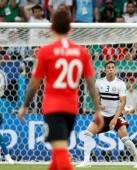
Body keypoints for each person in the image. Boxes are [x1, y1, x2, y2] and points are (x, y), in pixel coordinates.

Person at [17, 9, 103, 170]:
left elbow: (34, 84)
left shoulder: (45, 51)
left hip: (53, 108)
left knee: (61, 152)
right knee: (58, 152)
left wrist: (25, 106)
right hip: (71, 108)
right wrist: (97, 110)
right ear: (70, 29)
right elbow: (90, 83)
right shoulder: (82, 52)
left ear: (52, 28)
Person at [77, 61, 137, 168]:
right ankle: (86, 161)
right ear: (105, 70)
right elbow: (95, 97)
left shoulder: (120, 84)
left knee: (125, 138)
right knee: (87, 133)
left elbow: (122, 102)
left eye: (113, 67)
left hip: (116, 114)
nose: (111, 69)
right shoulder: (99, 82)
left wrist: (115, 118)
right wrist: (98, 104)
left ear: (115, 70)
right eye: (108, 67)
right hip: (103, 115)